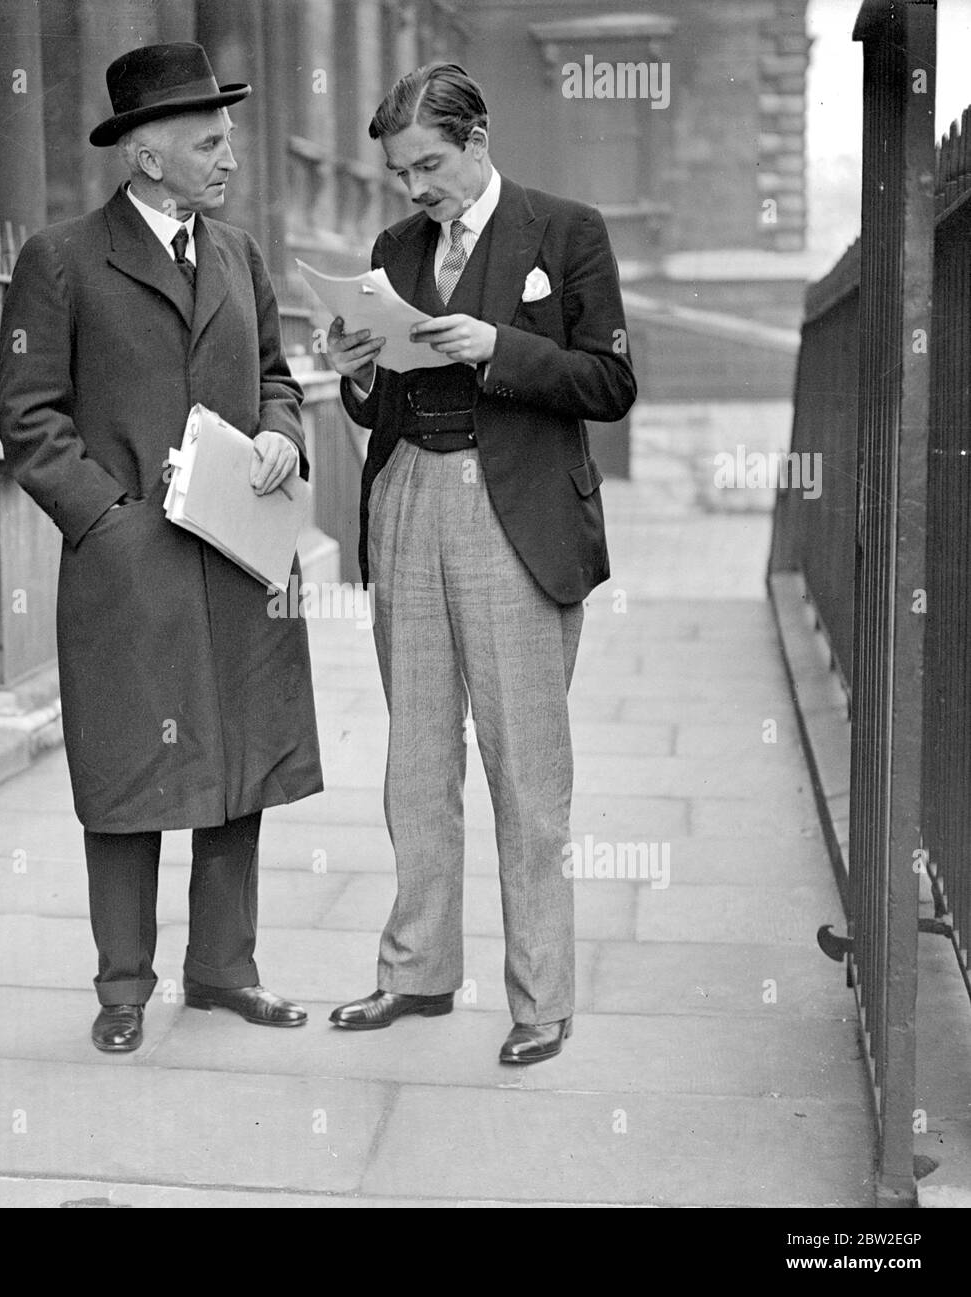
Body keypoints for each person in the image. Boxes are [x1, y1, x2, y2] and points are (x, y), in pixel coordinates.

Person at [0, 42, 322, 1054]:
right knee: (130, 777)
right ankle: (123, 987)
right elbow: (31, 420)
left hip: (238, 560)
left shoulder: (238, 254)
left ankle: (225, 970)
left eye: (227, 140)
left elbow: (276, 376)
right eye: (209, 142)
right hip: (130, 572)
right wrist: (110, 523)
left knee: (241, 767)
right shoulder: (60, 260)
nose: (229, 159)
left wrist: (281, 432)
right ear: (146, 159)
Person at [326, 62, 636, 1064]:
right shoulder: (393, 246)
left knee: (526, 769)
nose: (413, 189)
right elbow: (379, 408)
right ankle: (414, 973)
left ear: (477, 140)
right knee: (414, 759)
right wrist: (359, 375)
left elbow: (611, 381)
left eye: (426, 165)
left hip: (516, 510)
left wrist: (500, 346)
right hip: (408, 493)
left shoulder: (566, 230)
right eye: (399, 171)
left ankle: (541, 998)